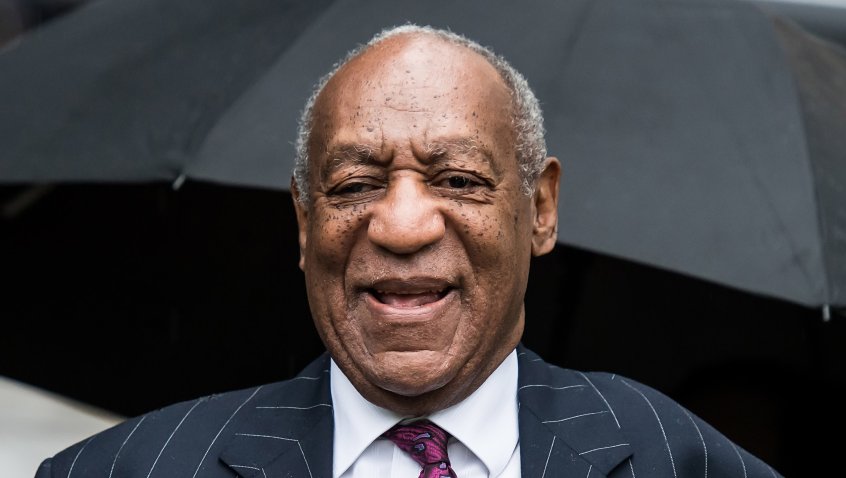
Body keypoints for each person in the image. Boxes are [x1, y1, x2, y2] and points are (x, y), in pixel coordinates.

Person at [35, 25, 781, 478]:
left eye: (457, 179)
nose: (400, 226)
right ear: (303, 220)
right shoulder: (125, 471)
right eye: (356, 184)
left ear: (541, 209)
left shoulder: (679, 463)